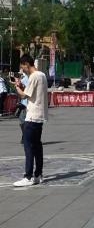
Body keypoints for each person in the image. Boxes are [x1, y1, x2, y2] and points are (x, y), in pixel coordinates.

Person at [13, 54, 49, 187]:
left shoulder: (34, 76)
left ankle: (28, 176)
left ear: (27, 64)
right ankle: (38, 174)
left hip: (32, 115)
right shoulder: (42, 75)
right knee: (37, 146)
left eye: (23, 67)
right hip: (40, 116)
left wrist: (17, 87)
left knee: (28, 146)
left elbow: (25, 95)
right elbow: (33, 93)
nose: (23, 70)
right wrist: (22, 87)